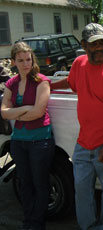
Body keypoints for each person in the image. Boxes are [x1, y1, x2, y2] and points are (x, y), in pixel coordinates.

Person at [51, 23, 103, 230]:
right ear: (84, 45)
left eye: (102, 43)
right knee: (81, 188)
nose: (99, 48)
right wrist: (47, 84)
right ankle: (87, 227)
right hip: (84, 142)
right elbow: (71, 82)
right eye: (94, 44)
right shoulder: (79, 63)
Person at [1, 42, 55, 230]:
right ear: (13, 62)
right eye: (21, 60)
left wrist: (15, 111)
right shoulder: (12, 83)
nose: (25, 64)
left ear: (33, 60)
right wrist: (25, 109)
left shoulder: (41, 81)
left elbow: (39, 112)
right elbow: (4, 112)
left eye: (28, 59)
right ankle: (27, 222)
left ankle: (36, 224)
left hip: (40, 141)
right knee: (25, 184)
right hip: (19, 142)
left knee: (40, 184)